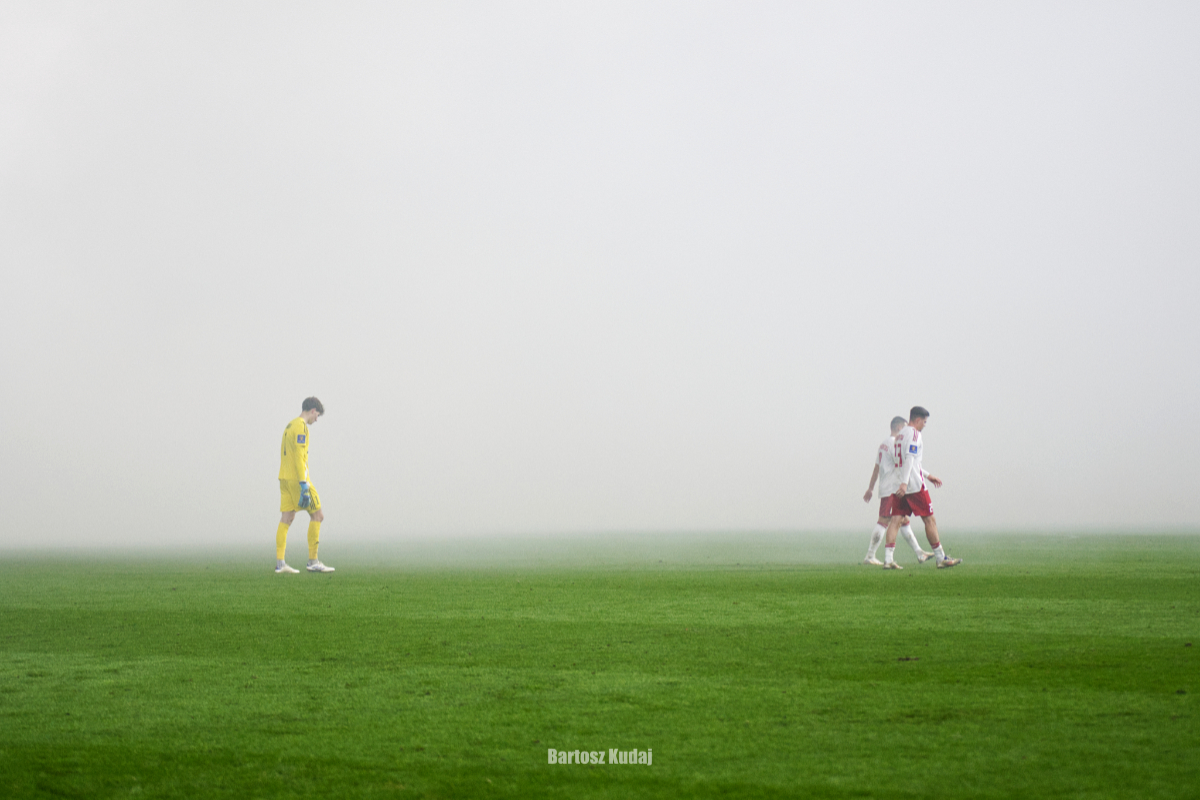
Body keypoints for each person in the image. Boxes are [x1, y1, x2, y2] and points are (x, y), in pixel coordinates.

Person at [882, 406, 961, 569]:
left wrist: (928, 475)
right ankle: (940, 558)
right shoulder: (914, 434)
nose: (924, 425)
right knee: (929, 519)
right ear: (917, 420)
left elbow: (904, 462)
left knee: (895, 520)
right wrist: (906, 483)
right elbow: (910, 459)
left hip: (899, 484)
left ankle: (888, 560)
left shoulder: (899, 436)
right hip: (913, 485)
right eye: (924, 422)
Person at [863, 416, 934, 566]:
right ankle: (870, 555)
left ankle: (919, 553)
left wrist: (871, 488)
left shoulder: (883, 444)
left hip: (888, 487)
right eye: (905, 427)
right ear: (899, 428)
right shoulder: (893, 443)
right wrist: (928, 476)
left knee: (904, 520)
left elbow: (876, 468)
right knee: (884, 520)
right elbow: (906, 464)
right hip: (892, 488)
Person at [275, 397, 335, 574]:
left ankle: (280, 563)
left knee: (286, 518)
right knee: (318, 515)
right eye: (317, 416)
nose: (316, 420)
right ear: (313, 410)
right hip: (298, 479)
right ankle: (313, 561)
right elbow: (299, 457)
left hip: (284, 479)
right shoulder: (301, 427)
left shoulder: (289, 426)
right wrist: (303, 484)